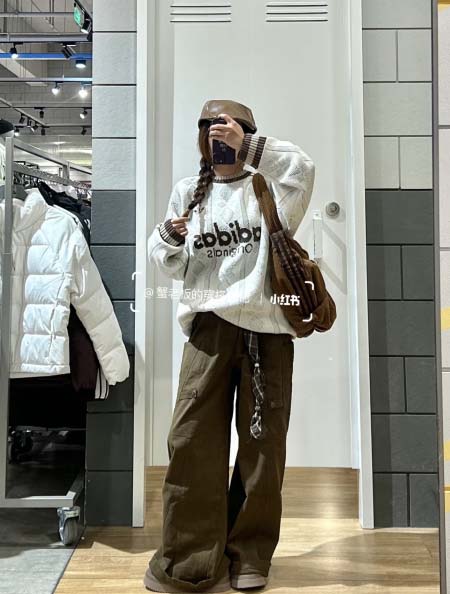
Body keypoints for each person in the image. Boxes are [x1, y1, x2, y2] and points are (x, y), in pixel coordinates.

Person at [144, 99, 315, 593]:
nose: (220, 135)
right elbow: (169, 263)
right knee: (191, 441)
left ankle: (250, 554)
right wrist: (168, 238)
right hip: (208, 329)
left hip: (268, 332)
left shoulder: (270, 188)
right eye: (212, 128)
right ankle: (189, 558)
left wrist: (252, 148)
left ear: (250, 134)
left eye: (233, 128)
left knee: (263, 447)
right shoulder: (188, 192)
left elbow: (303, 169)